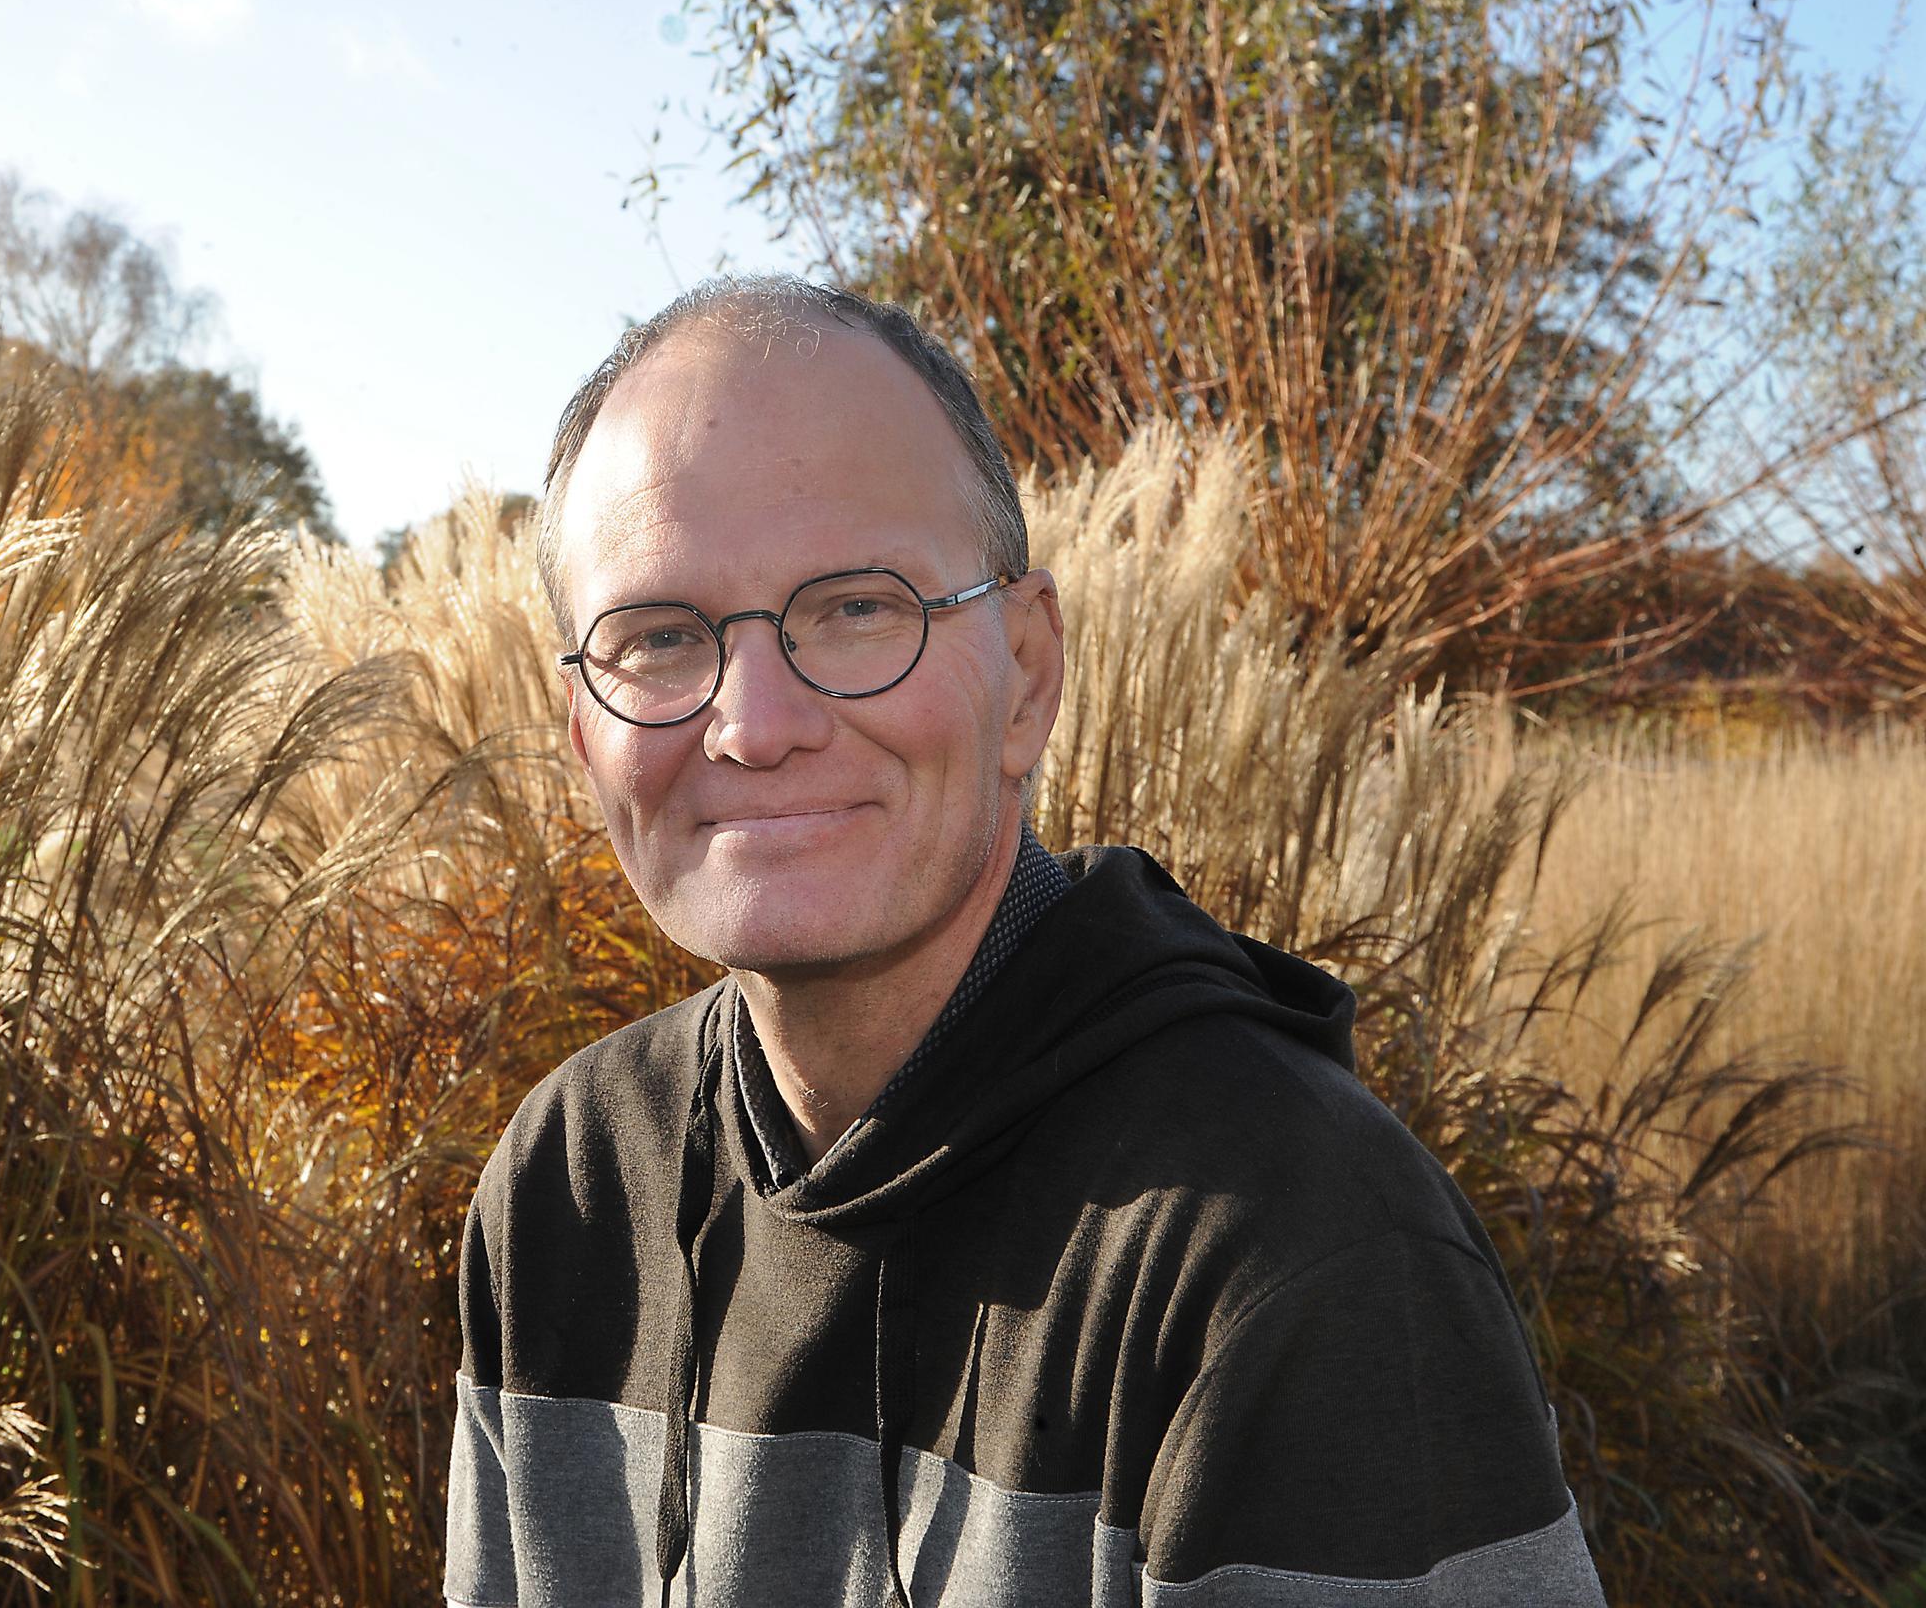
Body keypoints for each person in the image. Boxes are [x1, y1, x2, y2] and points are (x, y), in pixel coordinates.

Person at [444, 275, 1605, 1607]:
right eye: (657, 636)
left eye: (856, 607)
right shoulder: (567, 1187)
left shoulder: (1288, 1255)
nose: (754, 723)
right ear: (585, 733)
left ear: (1029, 674)